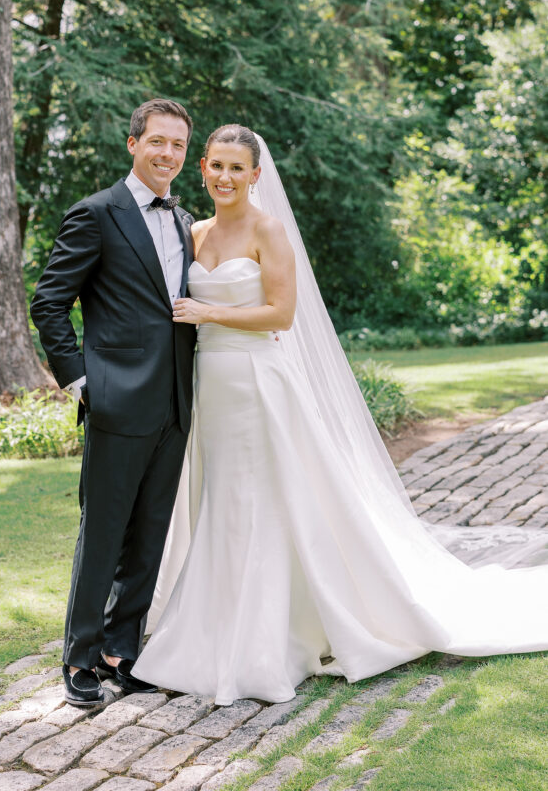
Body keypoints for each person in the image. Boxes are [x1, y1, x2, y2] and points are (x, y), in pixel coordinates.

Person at [131, 124, 548, 706]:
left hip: (256, 384)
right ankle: (213, 618)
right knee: (220, 498)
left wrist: (208, 312)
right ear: (202, 167)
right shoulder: (193, 231)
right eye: (217, 165)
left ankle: (267, 634)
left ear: (256, 175)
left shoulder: (268, 230)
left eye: (237, 168)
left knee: (260, 500)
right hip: (210, 386)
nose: (225, 177)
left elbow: (280, 314)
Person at [30, 98, 197, 707]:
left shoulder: (184, 223)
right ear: (134, 143)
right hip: (117, 404)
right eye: (158, 142)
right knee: (102, 534)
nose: (168, 154)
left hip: (176, 404)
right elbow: (49, 301)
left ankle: (119, 651)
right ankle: (77, 660)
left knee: (149, 536)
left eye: (178, 145)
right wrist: (81, 380)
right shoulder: (95, 214)